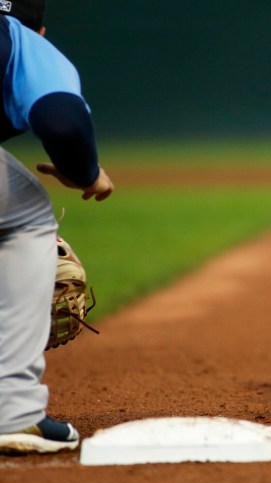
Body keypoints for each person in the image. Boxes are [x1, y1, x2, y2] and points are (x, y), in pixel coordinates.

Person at [0, 0, 114, 454]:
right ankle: (15, 409)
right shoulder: (22, 39)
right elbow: (64, 123)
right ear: (41, 30)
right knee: (26, 216)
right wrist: (86, 173)